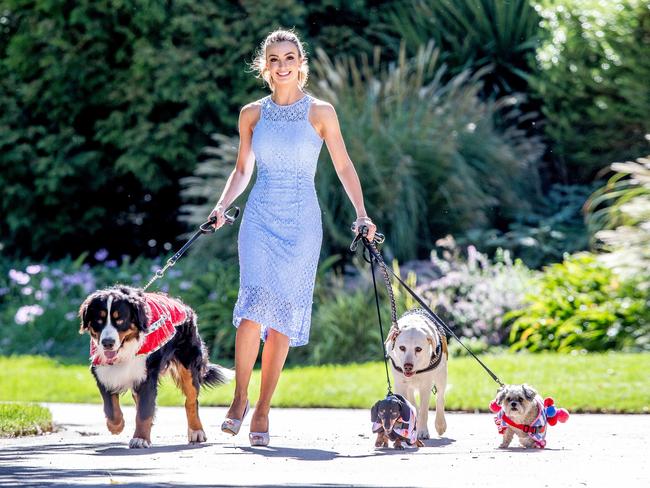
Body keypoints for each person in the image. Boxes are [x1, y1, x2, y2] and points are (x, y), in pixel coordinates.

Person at [209, 28, 377, 447]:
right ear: (263, 66)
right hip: (259, 218)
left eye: (289, 58)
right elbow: (243, 170)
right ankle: (240, 398)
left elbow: (343, 166)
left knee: (282, 314)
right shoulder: (252, 114)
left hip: (302, 222)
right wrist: (221, 205)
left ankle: (264, 409)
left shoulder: (320, 112)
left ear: (300, 63)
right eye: (274, 59)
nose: (282, 66)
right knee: (251, 309)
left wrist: (361, 213)